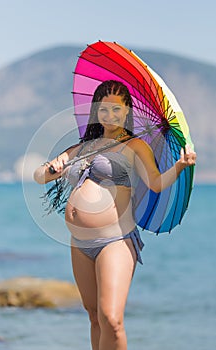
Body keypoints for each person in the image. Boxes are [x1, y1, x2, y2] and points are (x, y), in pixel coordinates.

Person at [34, 80, 196, 350]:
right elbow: (39, 176)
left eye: (116, 110)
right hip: (80, 244)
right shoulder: (83, 147)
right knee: (95, 318)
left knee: (112, 319)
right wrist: (52, 168)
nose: (110, 115)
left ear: (127, 112)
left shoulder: (135, 147)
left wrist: (179, 165)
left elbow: (155, 183)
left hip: (115, 241)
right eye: (104, 109)